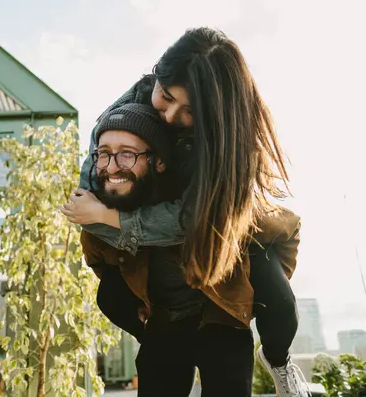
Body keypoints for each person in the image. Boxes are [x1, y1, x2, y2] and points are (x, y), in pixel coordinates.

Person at [62, 28, 308, 397]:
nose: (170, 116)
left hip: (226, 236)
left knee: (278, 300)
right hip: (168, 284)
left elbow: (193, 222)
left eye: (189, 111)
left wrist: (111, 217)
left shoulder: (232, 148)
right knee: (115, 299)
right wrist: (98, 209)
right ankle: (161, 335)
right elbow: (93, 192)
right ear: (158, 75)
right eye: (166, 97)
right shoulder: (132, 106)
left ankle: (279, 360)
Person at [79, 102, 259, 396]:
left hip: (218, 315)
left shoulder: (200, 199)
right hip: (164, 322)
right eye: (103, 154)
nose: (111, 167)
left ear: (158, 161)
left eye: (127, 154)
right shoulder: (99, 218)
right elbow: (100, 263)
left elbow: (281, 232)